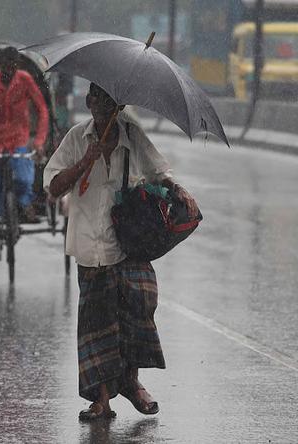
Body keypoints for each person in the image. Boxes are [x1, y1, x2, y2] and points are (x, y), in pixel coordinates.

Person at [44, 83, 198, 421]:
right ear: (89, 102)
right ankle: (101, 399)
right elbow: (54, 187)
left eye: (111, 101)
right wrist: (86, 159)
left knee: (139, 308)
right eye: (98, 99)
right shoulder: (75, 138)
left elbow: (160, 171)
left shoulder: (132, 136)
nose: (105, 106)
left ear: (120, 104)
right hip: (89, 244)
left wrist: (178, 189)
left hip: (129, 240)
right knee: (96, 322)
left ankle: (131, 382)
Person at [0, 46, 49, 267]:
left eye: (12, 67)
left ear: (17, 67)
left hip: (18, 142)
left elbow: (42, 110)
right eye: (5, 67)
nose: (9, 71)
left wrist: (39, 141)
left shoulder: (24, 80)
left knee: (24, 178)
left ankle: (23, 204)